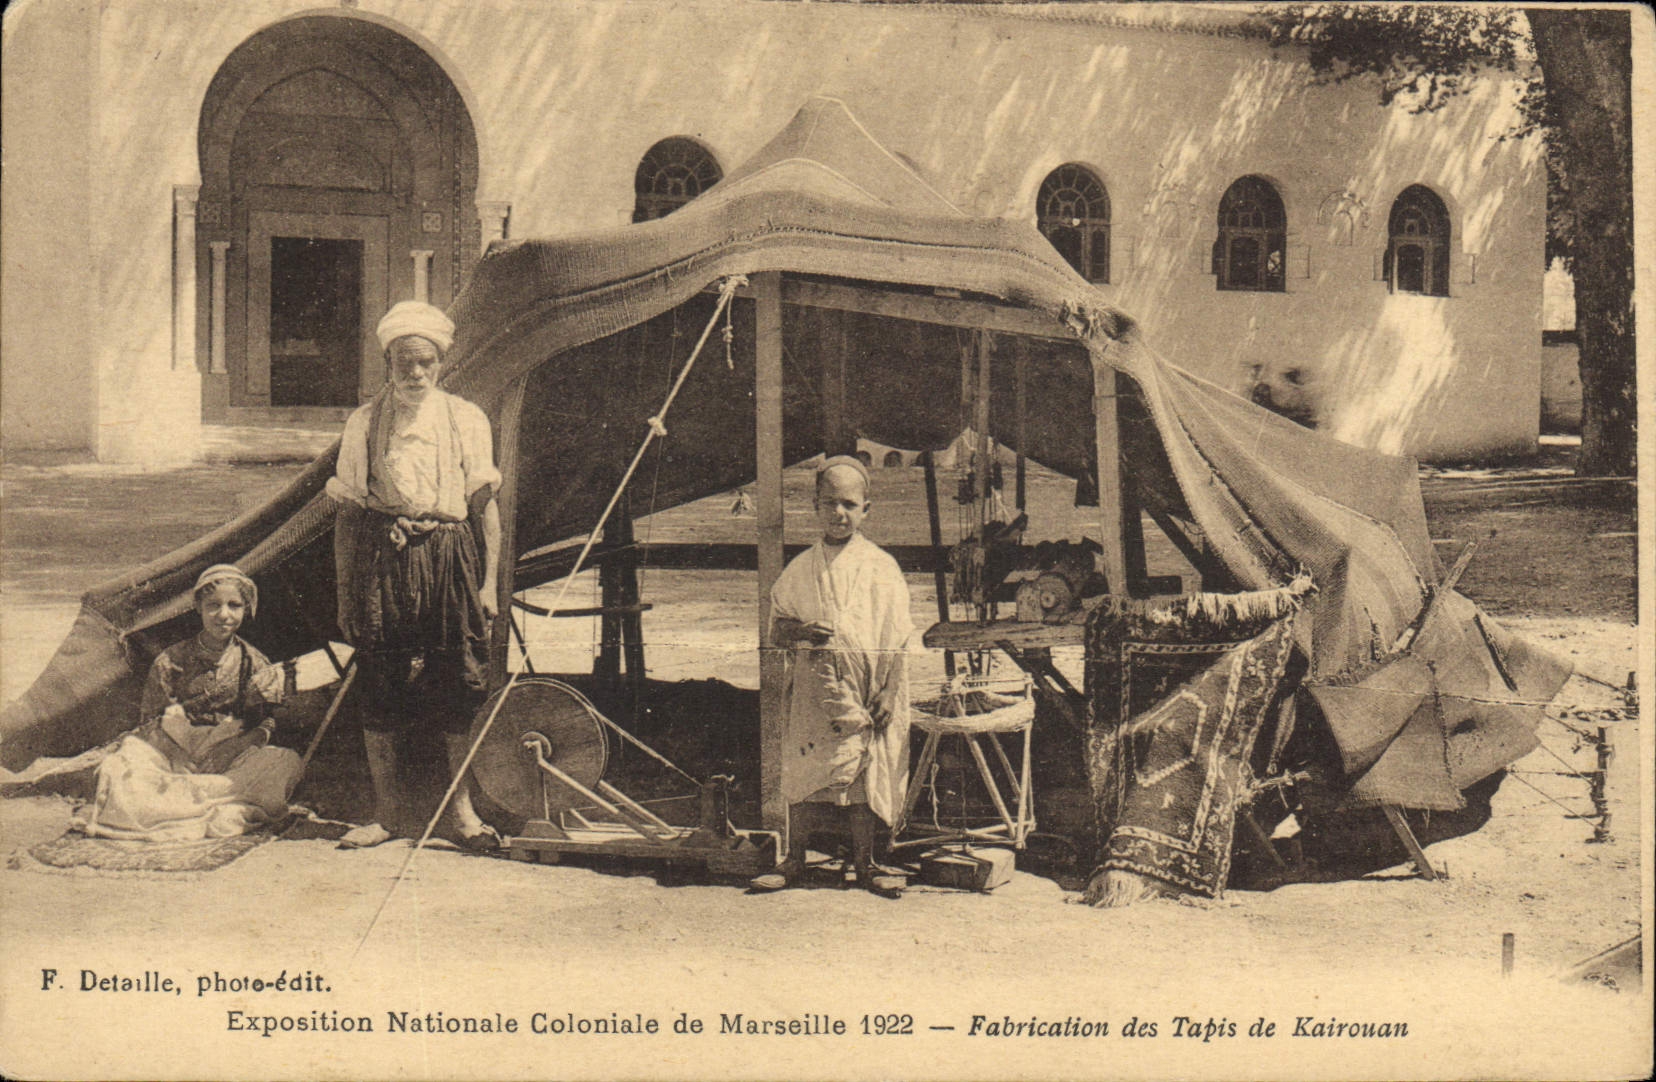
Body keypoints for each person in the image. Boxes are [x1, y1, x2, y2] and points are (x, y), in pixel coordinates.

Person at [325, 300, 502, 850]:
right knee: (379, 678)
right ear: (388, 362)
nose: (416, 373)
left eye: (426, 361)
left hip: (451, 555)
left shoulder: (467, 418)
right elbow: (350, 515)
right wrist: (346, 590)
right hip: (385, 555)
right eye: (405, 361)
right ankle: (388, 813)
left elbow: (484, 507)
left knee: (459, 678)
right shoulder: (363, 422)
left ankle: (464, 815)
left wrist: (489, 582)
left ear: (441, 363)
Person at [752, 456, 913, 897]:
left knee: (864, 770)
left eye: (848, 504)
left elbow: (898, 638)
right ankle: (795, 860)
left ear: (866, 509)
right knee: (803, 769)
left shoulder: (882, 567)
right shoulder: (801, 567)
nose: (838, 514)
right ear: (815, 506)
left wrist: (888, 690)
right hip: (813, 684)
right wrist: (802, 631)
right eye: (829, 503)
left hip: (866, 684)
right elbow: (778, 626)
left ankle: (867, 863)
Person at [78, 565, 300, 842]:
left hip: (226, 753)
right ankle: (200, 806)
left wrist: (232, 748)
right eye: (213, 606)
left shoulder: (254, 662)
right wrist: (176, 755)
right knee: (122, 763)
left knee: (285, 761)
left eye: (234, 605)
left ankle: (182, 805)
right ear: (198, 607)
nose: (224, 615)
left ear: (246, 608)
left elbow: (266, 720)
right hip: (174, 750)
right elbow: (150, 721)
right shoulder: (172, 660)